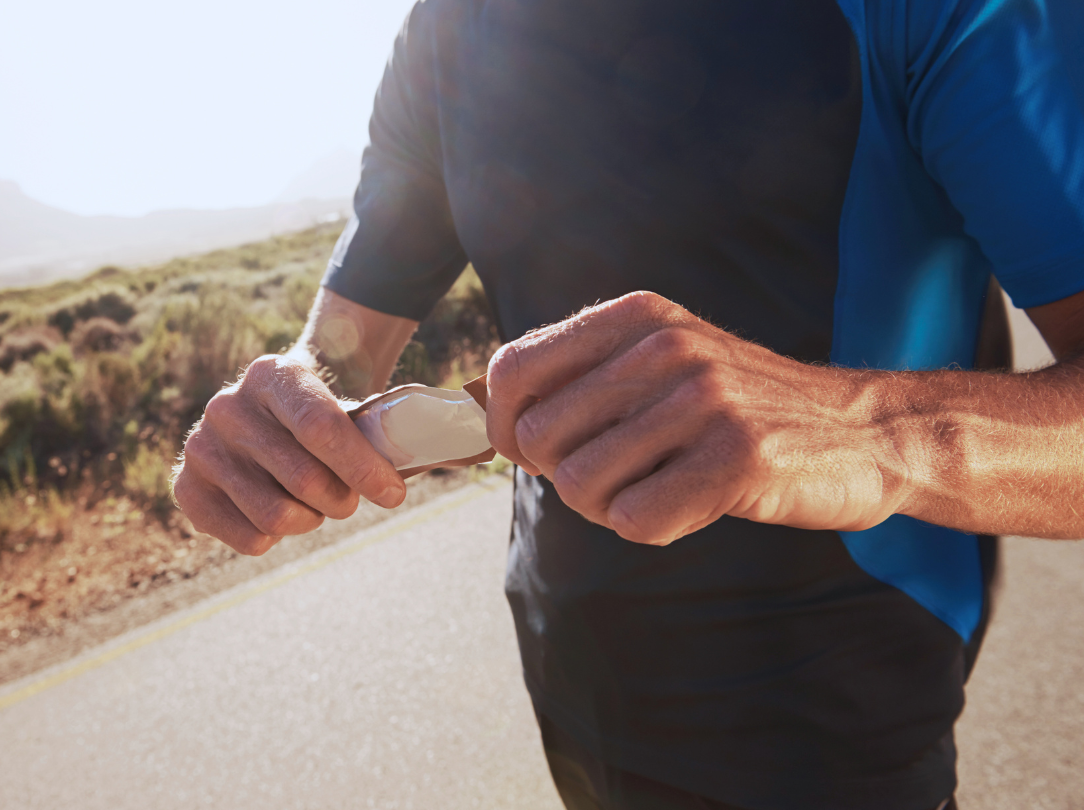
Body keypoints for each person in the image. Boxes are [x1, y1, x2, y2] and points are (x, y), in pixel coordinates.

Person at [172, 1, 1084, 808]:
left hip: (830, 712)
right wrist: (290, 406)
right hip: (570, 681)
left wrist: (868, 433)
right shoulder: (444, 30)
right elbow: (341, 348)